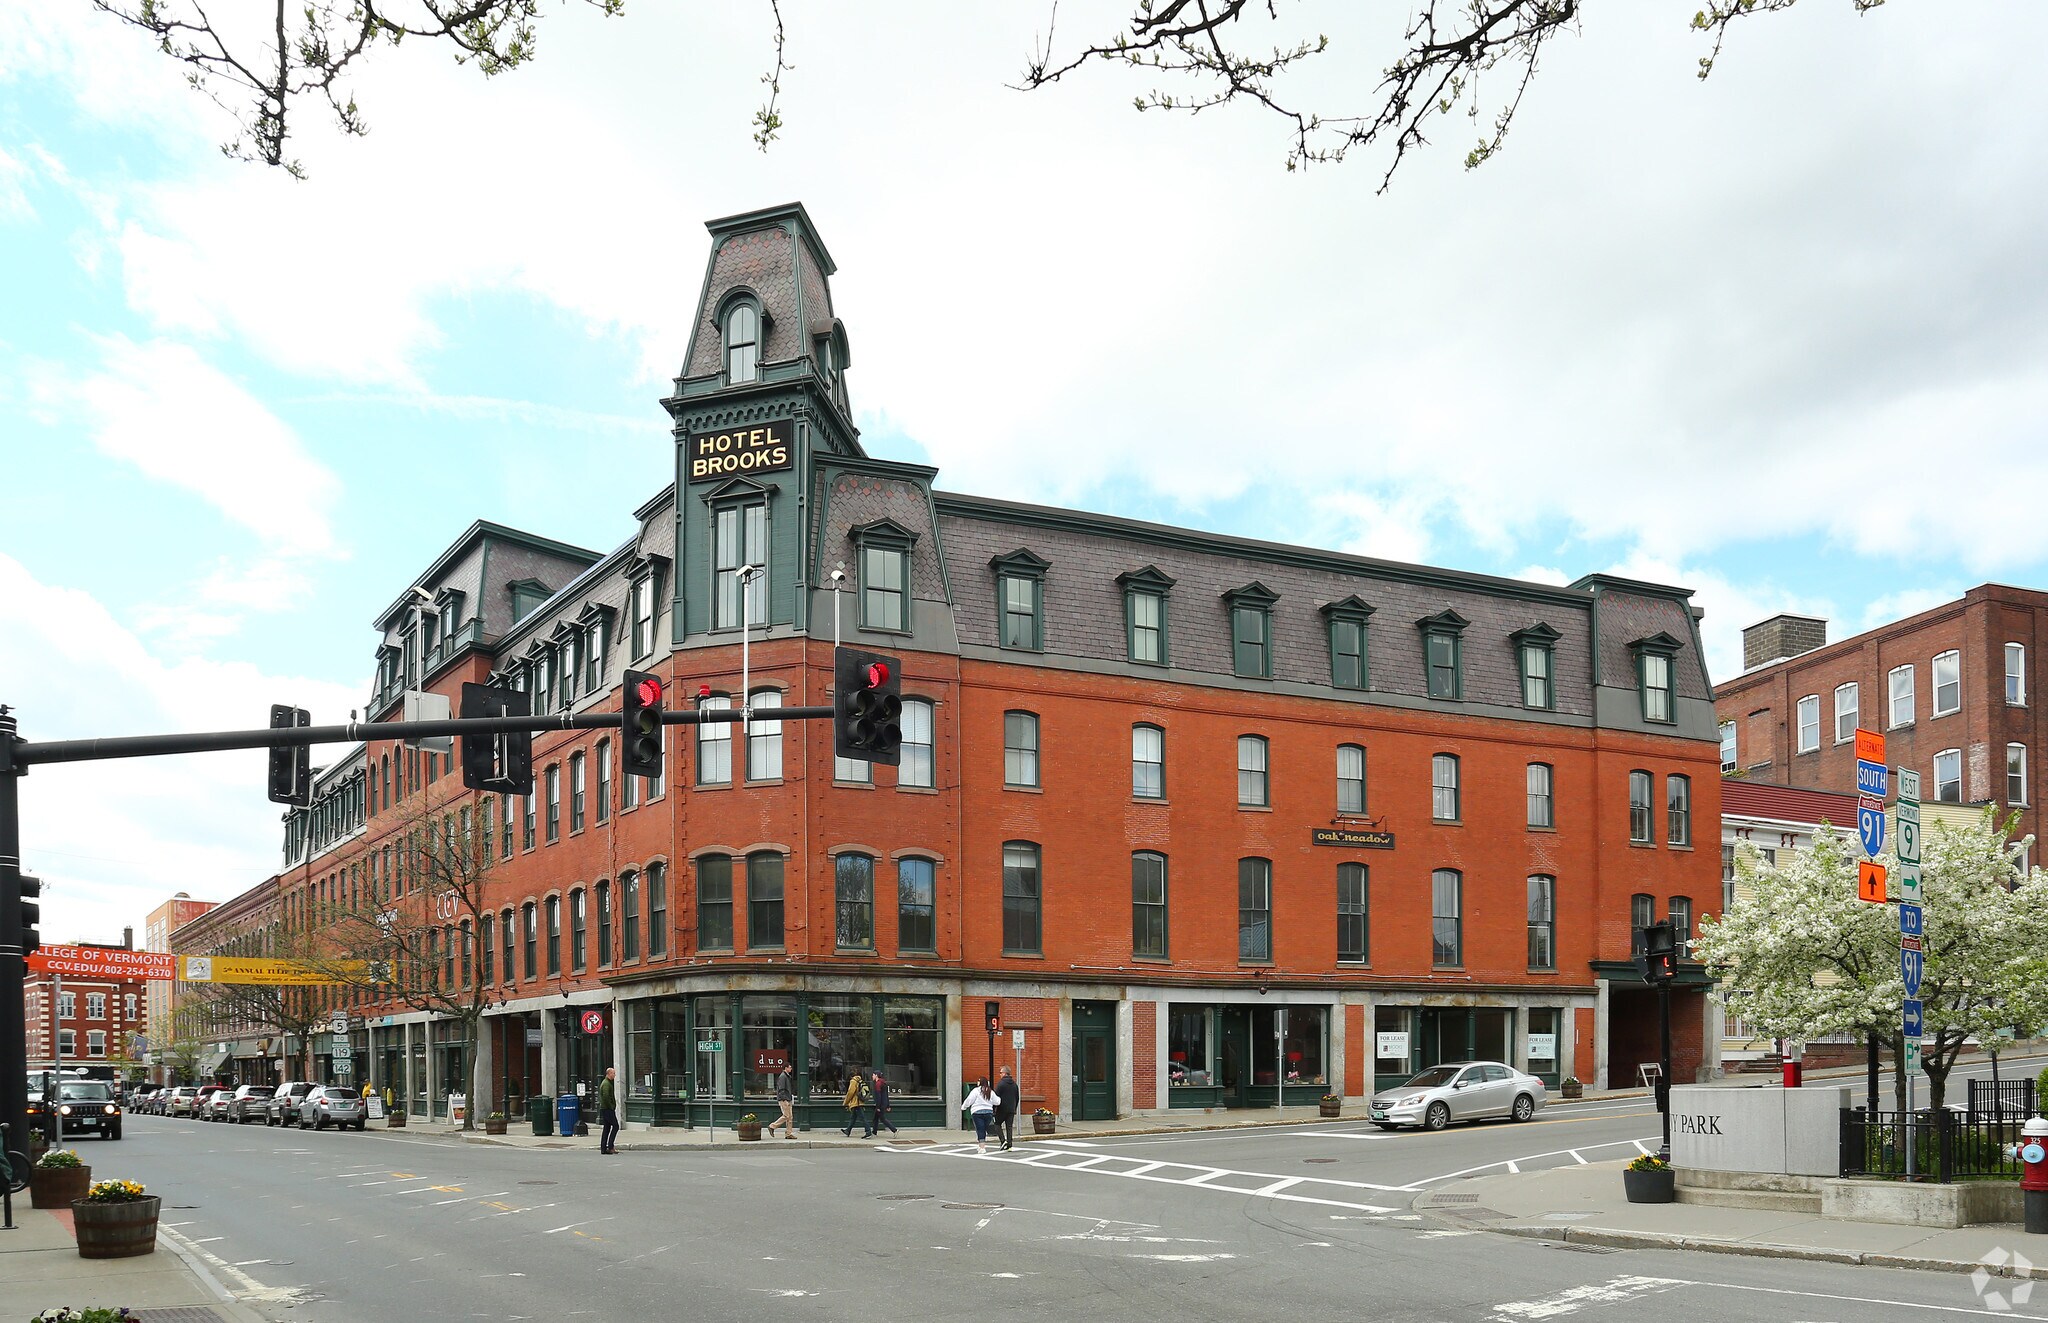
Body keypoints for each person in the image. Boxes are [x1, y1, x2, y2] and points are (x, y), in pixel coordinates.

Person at [961, 1077, 999, 1154]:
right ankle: (981, 1145)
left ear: (980, 1082)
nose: (977, 1082)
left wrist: (963, 1107)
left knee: (980, 1129)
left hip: (977, 1112)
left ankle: (982, 1147)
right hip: (988, 1112)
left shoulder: (975, 1091)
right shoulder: (990, 1091)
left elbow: (969, 1100)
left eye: (978, 1081)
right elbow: (997, 1102)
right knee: (983, 1129)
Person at [841, 1069, 876, 1137]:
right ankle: (848, 1130)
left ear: (851, 1076)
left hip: (856, 1103)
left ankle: (868, 1131)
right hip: (860, 1102)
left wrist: (845, 1102)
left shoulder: (853, 1081)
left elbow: (850, 1093)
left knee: (862, 1118)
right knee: (853, 1118)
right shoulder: (860, 1080)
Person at [993, 1065, 1020, 1151]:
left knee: (997, 1124)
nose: (1000, 1074)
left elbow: (995, 1097)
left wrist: (994, 1108)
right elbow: (1017, 1097)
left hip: (1002, 1108)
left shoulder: (1001, 1084)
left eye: (1000, 1073)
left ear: (1004, 1073)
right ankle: (1010, 1144)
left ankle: (1002, 1140)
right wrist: (1014, 1107)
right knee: (1009, 1126)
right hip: (1011, 1109)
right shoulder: (1014, 1084)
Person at [766, 1065, 797, 1139]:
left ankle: (788, 1134)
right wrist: (784, 1099)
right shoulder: (783, 1076)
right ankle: (772, 1126)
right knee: (786, 1116)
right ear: (786, 1068)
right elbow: (781, 1089)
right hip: (784, 1099)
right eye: (790, 1067)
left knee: (790, 1117)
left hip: (788, 1098)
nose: (791, 1068)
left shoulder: (787, 1076)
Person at [597, 1066, 620, 1155]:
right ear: (609, 1074)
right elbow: (606, 1097)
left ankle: (604, 1148)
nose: (614, 1075)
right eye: (613, 1073)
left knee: (606, 1128)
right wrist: (611, 1106)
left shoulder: (607, 1083)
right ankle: (610, 1146)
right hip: (607, 1109)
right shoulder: (606, 1084)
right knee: (615, 1126)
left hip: (605, 1108)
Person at [870, 1070, 899, 1136]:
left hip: (881, 1104)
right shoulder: (883, 1083)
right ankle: (874, 1132)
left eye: (873, 1075)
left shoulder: (878, 1084)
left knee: (882, 1119)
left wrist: (878, 1107)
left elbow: (878, 1096)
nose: (872, 1076)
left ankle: (894, 1130)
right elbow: (886, 1095)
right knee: (875, 1118)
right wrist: (888, 1105)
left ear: (876, 1075)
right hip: (884, 1103)